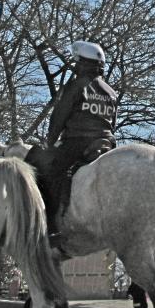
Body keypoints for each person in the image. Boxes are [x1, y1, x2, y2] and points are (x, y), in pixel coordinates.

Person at [44, 40, 118, 247]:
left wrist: (50, 142)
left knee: (52, 174)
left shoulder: (77, 86)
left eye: (77, 63)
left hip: (78, 142)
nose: (76, 68)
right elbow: (112, 123)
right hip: (106, 144)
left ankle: (51, 228)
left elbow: (59, 116)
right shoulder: (110, 91)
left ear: (83, 64)